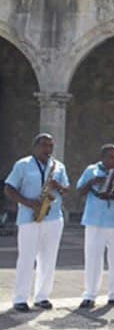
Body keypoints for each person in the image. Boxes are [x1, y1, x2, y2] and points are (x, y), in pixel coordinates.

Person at [5, 133, 70, 312]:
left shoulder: (58, 166)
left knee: (49, 259)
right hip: (29, 217)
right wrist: (27, 202)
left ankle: (42, 297)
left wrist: (59, 186)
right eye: (44, 146)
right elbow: (9, 188)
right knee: (26, 258)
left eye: (50, 146)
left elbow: (66, 190)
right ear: (35, 147)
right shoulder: (23, 164)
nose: (47, 150)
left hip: (53, 217)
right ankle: (20, 298)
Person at [76, 144, 114, 309]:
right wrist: (92, 182)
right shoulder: (92, 170)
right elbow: (79, 191)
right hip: (95, 221)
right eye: (110, 157)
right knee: (93, 258)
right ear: (103, 157)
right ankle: (89, 295)